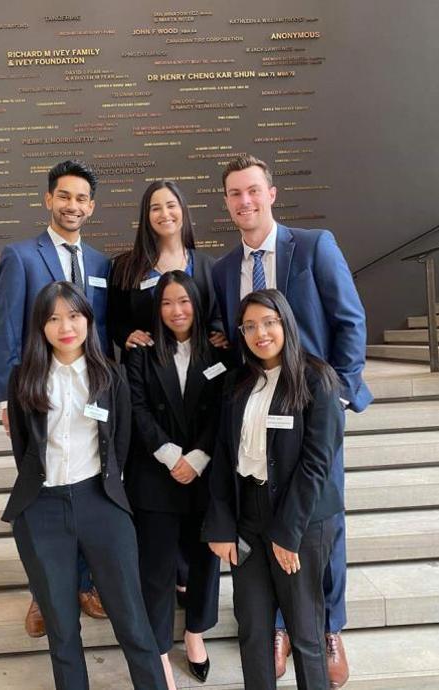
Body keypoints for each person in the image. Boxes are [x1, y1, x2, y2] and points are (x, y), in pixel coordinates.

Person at [212, 155, 373, 688]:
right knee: (270, 523)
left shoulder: (314, 245)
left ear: (271, 194)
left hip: (313, 404)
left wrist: (340, 397)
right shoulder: (221, 268)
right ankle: (278, 624)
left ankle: (327, 625)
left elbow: (348, 318)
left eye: (253, 191)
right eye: (235, 194)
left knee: (321, 522)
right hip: (258, 405)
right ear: (228, 202)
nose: (245, 202)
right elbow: (227, 337)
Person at [2, 280, 167, 690]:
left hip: (102, 502)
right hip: (41, 509)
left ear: (88, 320)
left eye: (73, 315)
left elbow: (122, 442)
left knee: (132, 621)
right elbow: (25, 447)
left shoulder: (110, 376)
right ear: (40, 327)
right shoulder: (25, 379)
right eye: (53, 318)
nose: (65, 326)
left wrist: (108, 487)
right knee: (61, 628)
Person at [203, 289, 345, 690]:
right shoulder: (238, 382)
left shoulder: (316, 379)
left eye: (268, 322)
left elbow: (318, 462)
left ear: (286, 323)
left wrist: (289, 531)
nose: (259, 333)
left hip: (299, 521)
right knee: (252, 629)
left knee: (304, 632)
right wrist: (220, 524)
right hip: (248, 518)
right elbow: (222, 455)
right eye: (249, 326)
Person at [0, 160, 110, 635]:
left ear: (91, 206)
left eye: (81, 199)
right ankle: (43, 593)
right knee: (41, 493)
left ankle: (84, 583)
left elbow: (107, 330)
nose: (73, 206)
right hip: (37, 397)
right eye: (64, 196)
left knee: (86, 486)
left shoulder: (100, 263)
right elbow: (5, 329)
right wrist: (6, 400)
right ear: (48, 199)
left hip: (89, 394)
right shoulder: (20, 256)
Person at [125, 271, 230, 690]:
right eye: (167, 302)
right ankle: (158, 649)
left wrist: (199, 457)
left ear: (197, 303)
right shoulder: (142, 351)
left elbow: (225, 408)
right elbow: (136, 408)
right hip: (156, 474)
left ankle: (194, 634)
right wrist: (172, 456)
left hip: (204, 475)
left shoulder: (219, 350)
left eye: (184, 301)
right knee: (156, 567)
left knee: (205, 560)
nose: (176, 310)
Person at [108, 179, 227, 354]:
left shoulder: (209, 266)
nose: (165, 214)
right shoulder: (125, 267)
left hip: (201, 370)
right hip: (146, 370)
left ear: (183, 210)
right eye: (155, 208)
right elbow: (114, 320)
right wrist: (126, 335)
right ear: (146, 216)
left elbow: (219, 315)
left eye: (171, 206)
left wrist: (220, 332)